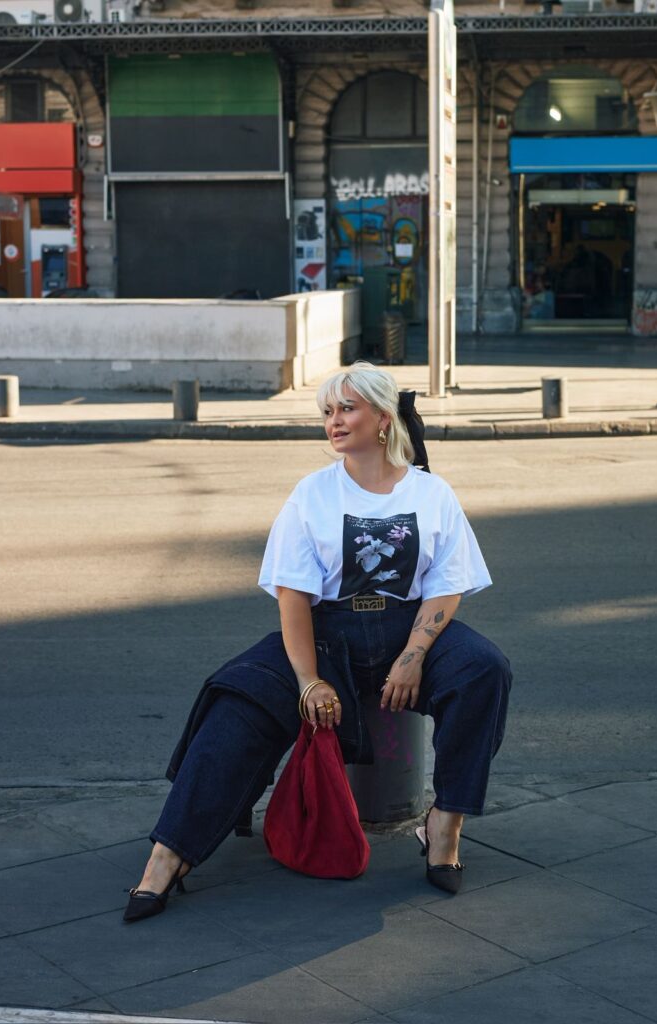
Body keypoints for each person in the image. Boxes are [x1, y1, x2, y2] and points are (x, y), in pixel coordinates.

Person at [123, 362, 512, 923]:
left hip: (408, 629)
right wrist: (307, 680)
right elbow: (293, 596)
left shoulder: (432, 493)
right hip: (325, 634)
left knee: (484, 669)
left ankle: (444, 825)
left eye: (347, 408)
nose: (334, 421)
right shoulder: (312, 494)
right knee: (237, 701)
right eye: (328, 411)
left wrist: (413, 657)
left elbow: (447, 585)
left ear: (383, 418)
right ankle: (169, 854)